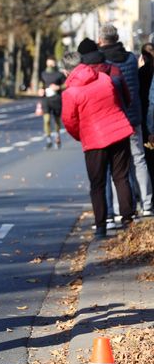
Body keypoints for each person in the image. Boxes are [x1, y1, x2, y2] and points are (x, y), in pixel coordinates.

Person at [60, 51, 134, 237]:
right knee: (121, 177)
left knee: (98, 184)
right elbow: (118, 101)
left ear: (66, 71)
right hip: (119, 132)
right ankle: (128, 220)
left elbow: (69, 121)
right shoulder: (103, 77)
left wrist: (82, 135)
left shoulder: (70, 92)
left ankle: (101, 227)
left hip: (94, 140)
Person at [98, 24, 153, 218]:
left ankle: (121, 208)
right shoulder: (130, 58)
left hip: (113, 119)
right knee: (139, 160)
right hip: (134, 115)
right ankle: (147, 204)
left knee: (117, 166)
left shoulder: (102, 61)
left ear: (101, 39)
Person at [38, 57, 65, 149]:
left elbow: (66, 84)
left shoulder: (60, 74)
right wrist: (40, 90)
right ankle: (48, 138)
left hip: (57, 99)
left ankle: (57, 135)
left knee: (57, 120)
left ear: (54, 64)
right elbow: (41, 84)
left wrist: (58, 87)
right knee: (47, 120)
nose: (49, 65)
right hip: (46, 99)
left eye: (51, 64)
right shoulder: (43, 74)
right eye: (48, 64)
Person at [139, 43, 154, 192]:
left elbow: (149, 102)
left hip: (147, 122)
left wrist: (149, 129)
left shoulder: (141, 73)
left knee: (149, 160)